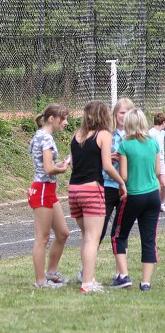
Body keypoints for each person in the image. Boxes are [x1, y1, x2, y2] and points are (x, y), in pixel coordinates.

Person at [68, 101, 127, 293]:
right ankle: (87, 283)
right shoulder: (104, 135)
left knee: (86, 236)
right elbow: (107, 167)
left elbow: (75, 163)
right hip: (92, 190)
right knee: (92, 238)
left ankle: (88, 276)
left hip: (74, 190)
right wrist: (121, 182)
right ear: (104, 116)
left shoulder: (76, 135)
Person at [84, 98, 134, 286]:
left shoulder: (133, 135)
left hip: (125, 187)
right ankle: (87, 270)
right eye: (121, 113)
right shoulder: (106, 134)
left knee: (121, 231)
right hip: (106, 185)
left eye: (127, 112)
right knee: (99, 229)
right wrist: (109, 157)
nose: (124, 116)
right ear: (114, 114)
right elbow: (95, 155)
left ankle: (120, 272)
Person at [111, 108, 161, 291]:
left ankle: (123, 275)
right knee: (149, 239)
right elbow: (157, 171)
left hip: (133, 194)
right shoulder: (153, 142)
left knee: (118, 235)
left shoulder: (125, 145)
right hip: (153, 195)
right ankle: (146, 283)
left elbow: (123, 176)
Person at [28, 104, 71, 288]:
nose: (66, 122)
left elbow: (45, 165)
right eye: (63, 118)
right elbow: (47, 168)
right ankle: (41, 281)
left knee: (63, 233)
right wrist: (62, 168)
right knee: (42, 238)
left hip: (47, 189)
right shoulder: (45, 138)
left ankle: (51, 272)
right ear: (52, 119)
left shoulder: (41, 136)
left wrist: (58, 165)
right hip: (43, 189)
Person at [147, 112, 165, 213]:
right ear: (163, 122)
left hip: (161, 160)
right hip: (153, 160)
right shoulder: (151, 133)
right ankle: (155, 203)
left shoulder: (162, 133)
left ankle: (161, 203)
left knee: (163, 184)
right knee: (156, 183)